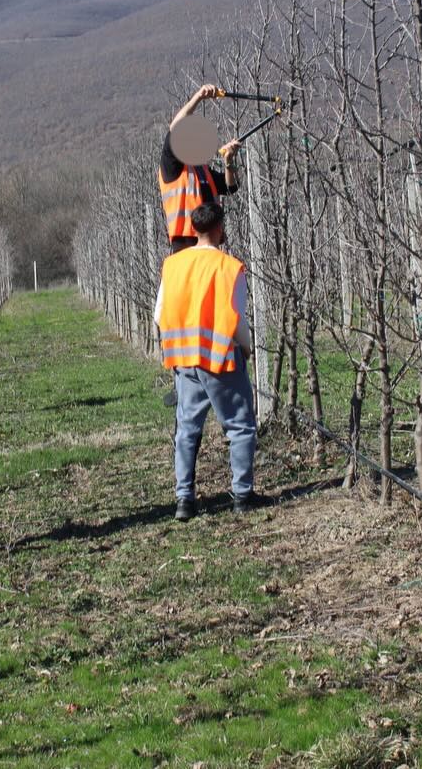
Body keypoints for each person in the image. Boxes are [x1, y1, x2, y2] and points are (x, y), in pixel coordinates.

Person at [154, 202, 259, 521]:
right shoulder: (230, 267)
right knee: (240, 426)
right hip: (218, 357)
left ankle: (184, 500)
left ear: (194, 228)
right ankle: (242, 495)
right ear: (219, 228)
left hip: (183, 357)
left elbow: (159, 315)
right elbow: (237, 318)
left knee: (187, 429)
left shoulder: (172, 265)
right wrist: (246, 348)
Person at [160, 84, 242, 252]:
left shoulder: (202, 169)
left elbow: (230, 187)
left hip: (210, 245)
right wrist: (198, 98)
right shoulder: (172, 166)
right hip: (184, 245)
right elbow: (175, 128)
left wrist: (228, 161)